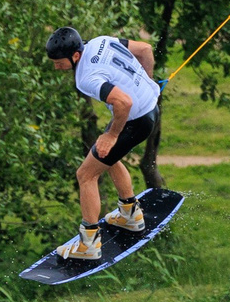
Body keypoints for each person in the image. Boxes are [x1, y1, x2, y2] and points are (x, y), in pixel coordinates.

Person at [45, 25, 162, 262]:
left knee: (86, 174)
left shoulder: (85, 77)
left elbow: (123, 103)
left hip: (135, 120)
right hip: (152, 108)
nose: (56, 67)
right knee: (105, 155)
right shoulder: (101, 41)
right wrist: (146, 82)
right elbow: (145, 49)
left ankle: (88, 245)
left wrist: (112, 135)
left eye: (59, 62)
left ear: (75, 56)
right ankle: (130, 215)